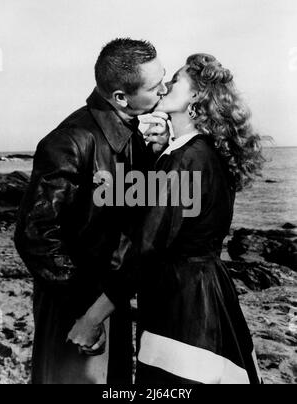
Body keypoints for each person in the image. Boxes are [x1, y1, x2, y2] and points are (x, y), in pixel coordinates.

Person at [68, 54, 264, 384]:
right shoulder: (200, 152)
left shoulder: (185, 160)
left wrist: (91, 318)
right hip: (208, 295)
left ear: (197, 96)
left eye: (175, 80)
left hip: (182, 309)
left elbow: (146, 248)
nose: (165, 87)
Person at [14, 38, 169, 384]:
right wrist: (85, 307)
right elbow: (33, 234)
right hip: (75, 304)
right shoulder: (71, 140)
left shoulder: (131, 135)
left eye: (165, 78)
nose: (165, 89)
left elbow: (133, 213)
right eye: (156, 86)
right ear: (120, 98)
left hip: (107, 299)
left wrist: (158, 157)